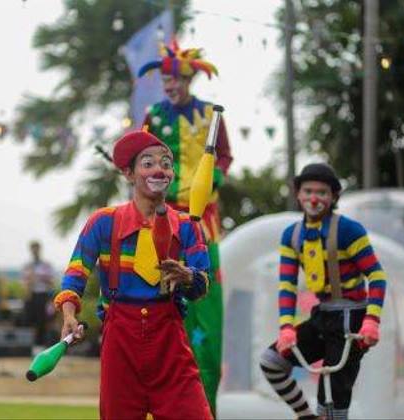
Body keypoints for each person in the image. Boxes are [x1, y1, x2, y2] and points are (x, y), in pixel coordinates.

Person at [53, 130, 212, 419]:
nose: (159, 169)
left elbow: (203, 285)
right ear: (129, 173)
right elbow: (75, 275)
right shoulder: (103, 222)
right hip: (120, 346)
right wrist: (68, 315)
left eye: (166, 163)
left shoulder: (188, 226)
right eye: (148, 163)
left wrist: (188, 276)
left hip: (170, 346)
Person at [138, 39, 233, 413]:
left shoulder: (211, 113)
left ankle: (204, 411)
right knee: (153, 309)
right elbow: (141, 156)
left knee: (205, 324)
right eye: (165, 79)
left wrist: (215, 181)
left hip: (202, 224)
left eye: (174, 78)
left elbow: (223, 157)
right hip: (160, 220)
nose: (169, 85)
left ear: (189, 77)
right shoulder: (153, 114)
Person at [259, 163, 387, 420]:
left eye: (322, 192)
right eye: (308, 191)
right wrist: (286, 327)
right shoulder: (292, 235)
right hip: (322, 315)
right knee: (272, 361)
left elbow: (376, 275)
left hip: (352, 319)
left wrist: (372, 320)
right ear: (298, 194)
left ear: (334, 197)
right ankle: (307, 418)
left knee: (331, 397)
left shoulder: (349, 230)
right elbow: (287, 285)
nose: (314, 198)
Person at [22, 240, 56, 348]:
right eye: (33, 249)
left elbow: (51, 280)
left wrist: (40, 277)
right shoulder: (28, 265)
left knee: (44, 320)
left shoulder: (46, 265)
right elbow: (25, 281)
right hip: (32, 295)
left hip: (43, 295)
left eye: (36, 248)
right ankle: (33, 345)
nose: (34, 251)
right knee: (32, 320)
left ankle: (43, 345)